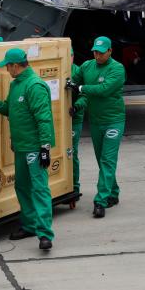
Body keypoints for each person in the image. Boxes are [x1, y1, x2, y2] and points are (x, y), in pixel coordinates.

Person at [0, 48, 55, 250]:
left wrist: (45, 147)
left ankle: (45, 234)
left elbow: (44, 118)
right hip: (21, 147)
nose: (6, 70)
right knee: (21, 186)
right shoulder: (15, 85)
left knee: (39, 189)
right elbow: (9, 110)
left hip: (35, 147)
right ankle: (30, 225)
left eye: (7, 66)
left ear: (15, 65)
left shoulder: (35, 86)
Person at [67, 36, 126, 219]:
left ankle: (100, 201)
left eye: (101, 52)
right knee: (102, 160)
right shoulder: (86, 66)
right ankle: (113, 193)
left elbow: (104, 90)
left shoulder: (117, 68)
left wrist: (81, 88)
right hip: (95, 121)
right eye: (95, 51)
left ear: (110, 51)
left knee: (108, 160)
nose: (97, 55)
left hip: (113, 121)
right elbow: (70, 81)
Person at [69, 47, 87, 197]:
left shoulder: (78, 71)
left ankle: (74, 185)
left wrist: (76, 107)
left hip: (74, 118)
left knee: (72, 152)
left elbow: (84, 95)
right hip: (56, 119)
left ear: (72, 56)